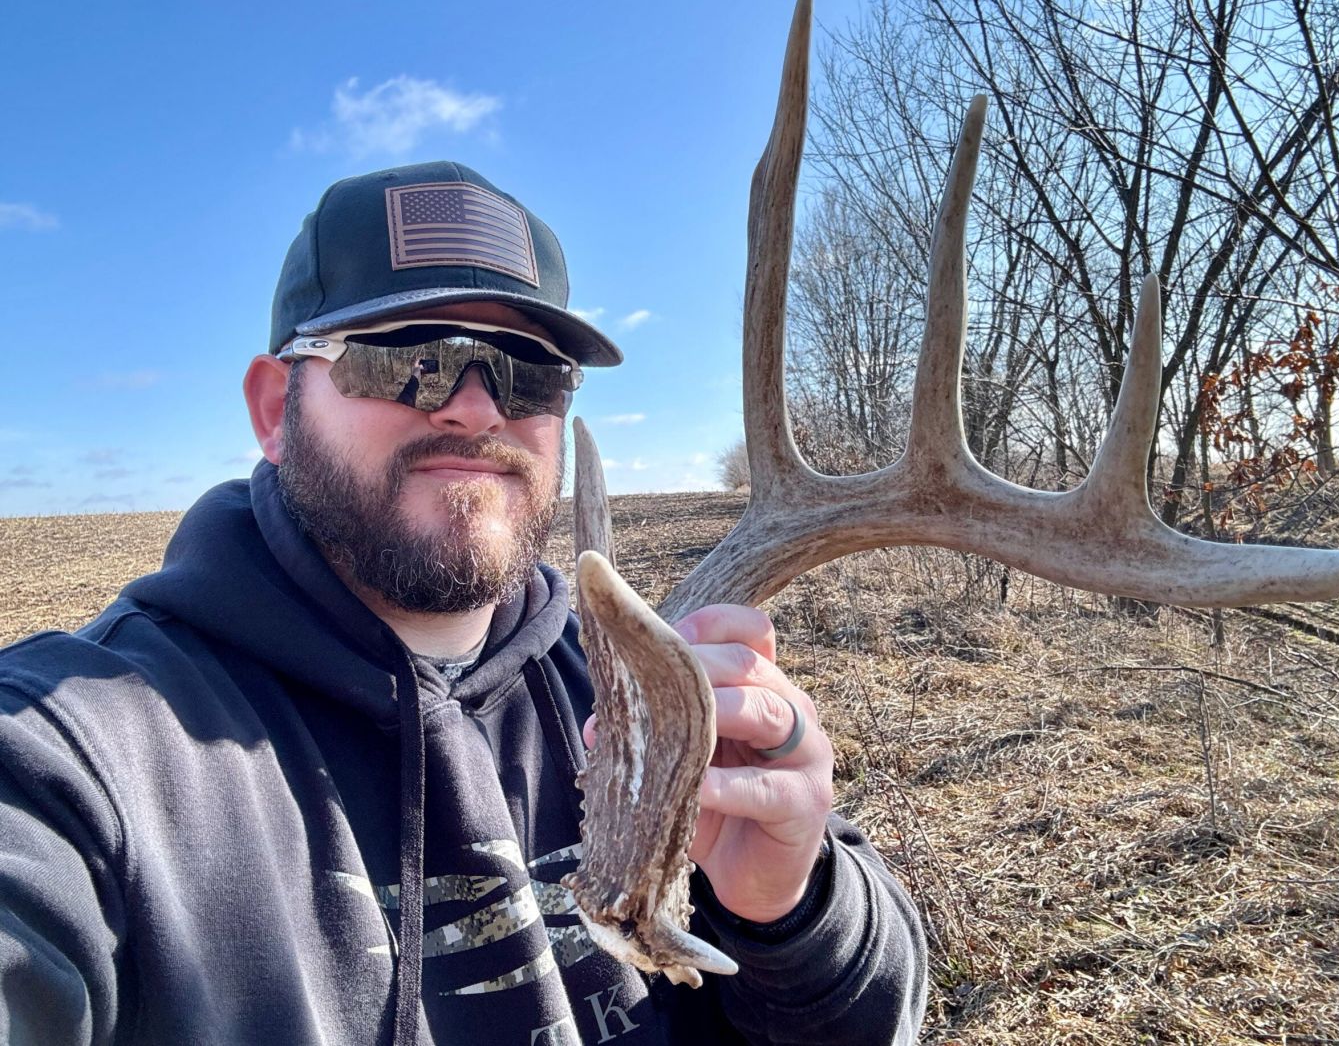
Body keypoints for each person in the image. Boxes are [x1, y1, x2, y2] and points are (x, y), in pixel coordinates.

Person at [0, 162, 927, 1045]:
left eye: (529, 370)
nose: (477, 410)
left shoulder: (640, 697)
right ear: (275, 409)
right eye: (408, 355)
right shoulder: (86, 752)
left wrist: (792, 906)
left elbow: (875, 1019)